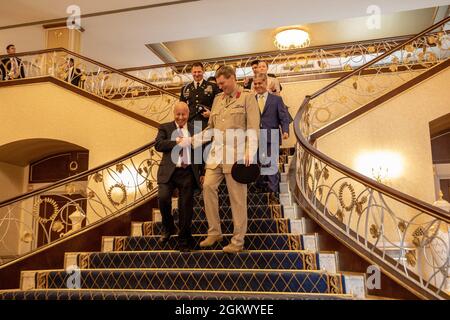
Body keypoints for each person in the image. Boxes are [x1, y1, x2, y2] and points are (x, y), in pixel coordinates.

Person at [183, 65, 260, 253]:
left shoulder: (248, 98)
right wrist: (192, 140)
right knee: (208, 186)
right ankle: (215, 232)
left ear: (233, 78)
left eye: (223, 83)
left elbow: (253, 128)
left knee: (237, 199)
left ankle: (237, 241)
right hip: (216, 155)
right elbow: (211, 129)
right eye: (218, 84)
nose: (221, 87)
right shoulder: (217, 99)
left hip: (236, 157)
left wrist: (251, 151)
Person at [155, 102, 204, 252]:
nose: (181, 117)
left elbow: (202, 151)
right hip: (169, 172)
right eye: (178, 114)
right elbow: (158, 145)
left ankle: (183, 240)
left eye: (184, 114)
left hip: (188, 172)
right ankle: (168, 225)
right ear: (174, 114)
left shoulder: (195, 128)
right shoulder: (165, 127)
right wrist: (175, 142)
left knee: (185, 208)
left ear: (188, 114)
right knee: (163, 198)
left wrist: (202, 172)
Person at [253, 73, 290, 199]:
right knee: (258, 164)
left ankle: (273, 192)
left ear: (266, 83)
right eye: (255, 83)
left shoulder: (276, 100)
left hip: (272, 135)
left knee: (271, 164)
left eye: (260, 83)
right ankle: (260, 189)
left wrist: (285, 131)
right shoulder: (250, 100)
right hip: (256, 137)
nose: (257, 86)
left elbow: (284, 117)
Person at [180, 62, 221, 130]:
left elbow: (219, 104)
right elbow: (182, 106)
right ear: (191, 72)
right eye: (194, 72)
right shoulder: (185, 88)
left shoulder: (213, 86)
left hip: (207, 122)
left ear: (203, 71)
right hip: (190, 123)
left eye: (199, 72)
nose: (196, 74)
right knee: (193, 140)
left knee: (206, 140)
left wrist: (211, 114)